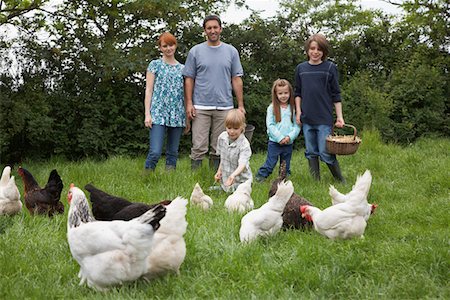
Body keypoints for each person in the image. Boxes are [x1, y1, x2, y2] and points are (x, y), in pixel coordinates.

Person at [183, 15, 245, 171]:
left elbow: (236, 79)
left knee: (219, 146)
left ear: (220, 29)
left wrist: (240, 105)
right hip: (200, 106)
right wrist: (189, 103)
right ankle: (195, 179)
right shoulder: (195, 51)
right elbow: (189, 79)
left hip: (225, 106)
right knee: (198, 145)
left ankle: (216, 178)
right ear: (204, 31)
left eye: (215, 27)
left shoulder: (231, 51)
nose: (212, 30)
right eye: (209, 28)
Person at [294, 33, 346, 183]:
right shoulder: (301, 69)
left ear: (324, 51)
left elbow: (336, 95)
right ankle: (315, 182)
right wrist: (298, 112)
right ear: (307, 50)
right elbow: (298, 92)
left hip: (324, 118)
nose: (315, 52)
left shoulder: (330, 67)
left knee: (325, 152)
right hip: (307, 118)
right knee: (311, 152)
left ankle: (340, 180)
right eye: (312, 48)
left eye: (319, 49)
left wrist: (340, 117)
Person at [143, 32, 186, 172]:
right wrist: (147, 114)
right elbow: (148, 90)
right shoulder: (155, 65)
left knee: (172, 152)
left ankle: (169, 180)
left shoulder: (182, 69)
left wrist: (187, 118)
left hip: (177, 113)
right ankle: (146, 177)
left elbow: (185, 94)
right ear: (160, 48)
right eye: (165, 46)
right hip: (158, 112)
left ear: (176, 45)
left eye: (171, 45)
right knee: (155, 151)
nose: (169, 48)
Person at [255, 79, 300, 182]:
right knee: (271, 162)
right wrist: (279, 137)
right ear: (275, 94)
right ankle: (260, 177)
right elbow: (270, 125)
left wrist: (289, 137)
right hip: (275, 142)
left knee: (285, 164)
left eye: (286, 93)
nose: (283, 95)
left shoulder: (293, 108)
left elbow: (297, 126)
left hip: (288, 142)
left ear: (290, 93)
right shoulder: (271, 108)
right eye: (280, 93)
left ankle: (283, 180)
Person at [214, 109, 252, 192]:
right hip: (226, 179)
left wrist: (233, 175)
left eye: (235, 128)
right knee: (225, 190)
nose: (231, 131)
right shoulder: (222, 138)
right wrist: (219, 171)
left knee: (238, 194)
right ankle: (224, 189)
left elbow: (242, 164)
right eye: (229, 128)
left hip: (241, 181)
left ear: (242, 127)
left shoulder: (244, 144)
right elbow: (223, 158)